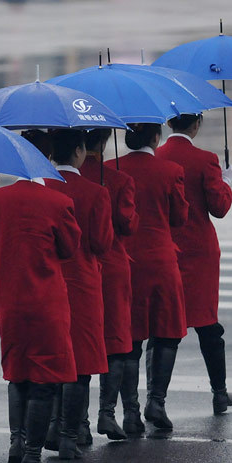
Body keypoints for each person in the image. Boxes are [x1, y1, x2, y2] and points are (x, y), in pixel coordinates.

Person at [0, 174, 81, 463]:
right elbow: (68, 249)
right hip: (45, 301)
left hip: (8, 298)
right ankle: (32, 457)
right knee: (45, 377)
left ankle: (17, 442)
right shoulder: (59, 202)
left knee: (17, 373)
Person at [107, 123, 188, 430]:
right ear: (156, 137)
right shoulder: (170, 170)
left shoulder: (110, 169)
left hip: (125, 261)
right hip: (161, 260)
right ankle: (157, 401)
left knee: (129, 337)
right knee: (166, 332)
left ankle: (129, 412)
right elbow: (180, 217)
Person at [156, 114, 232, 414]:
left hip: (167, 249)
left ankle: (156, 400)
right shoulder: (206, 160)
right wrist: (226, 182)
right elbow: (220, 207)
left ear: (168, 124)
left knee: (164, 328)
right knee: (207, 325)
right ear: (197, 123)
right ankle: (219, 393)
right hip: (200, 254)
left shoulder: (158, 157)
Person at [44, 130, 114, 458]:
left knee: (52, 358)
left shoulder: (43, 188)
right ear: (78, 150)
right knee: (80, 364)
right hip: (84, 284)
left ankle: (50, 427)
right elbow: (101, 244)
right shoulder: (95, 192)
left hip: (47, 283)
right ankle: (70, 436)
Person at [80, 129, 140, 438]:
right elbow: (127, 225)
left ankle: (78, 425)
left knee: (80, 344)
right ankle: (107, 413)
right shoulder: (116, 179)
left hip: (78, 270)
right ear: (104, 142)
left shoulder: (66, 179)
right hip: (113, 267)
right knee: (116, 343)